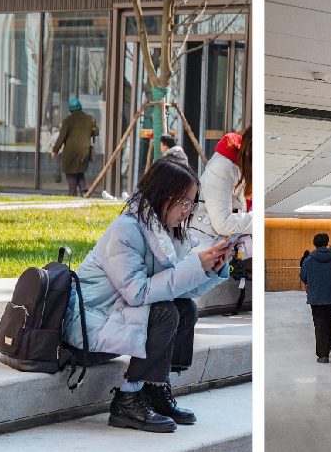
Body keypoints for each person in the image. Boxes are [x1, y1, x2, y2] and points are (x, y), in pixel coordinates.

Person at [66, 159, 231, 433]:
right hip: (91, 321)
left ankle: (155, 387)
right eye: (184, 203)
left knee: (184, 308)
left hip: (117, 314)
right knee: (165, 312)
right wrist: (193, 266)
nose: (187, 211)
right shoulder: (126, 230)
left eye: (191, 203)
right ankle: (127, 399)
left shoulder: (161, 231)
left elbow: (171, 287)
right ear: (163, 196)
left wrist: (209, 270)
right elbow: (138, 293)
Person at [300, 233, 331, 364]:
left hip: (315, 298)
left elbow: (303, 276)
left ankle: (322, 354)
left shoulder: (309, 259)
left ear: (314, 243)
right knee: (329, 323)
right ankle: (328, 347)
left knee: (319, 325)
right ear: (327, 243)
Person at [50, 98, 99, 197]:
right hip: (85, 151)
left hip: (71, 152)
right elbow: (96, 132)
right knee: (79, 171)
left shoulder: (68, 120)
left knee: (70, 172)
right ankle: (84, 191)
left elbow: (61, 137)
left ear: (70, 110)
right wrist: (94, 124)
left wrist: (55, 150)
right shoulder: (89, 119)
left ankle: (72, 193)